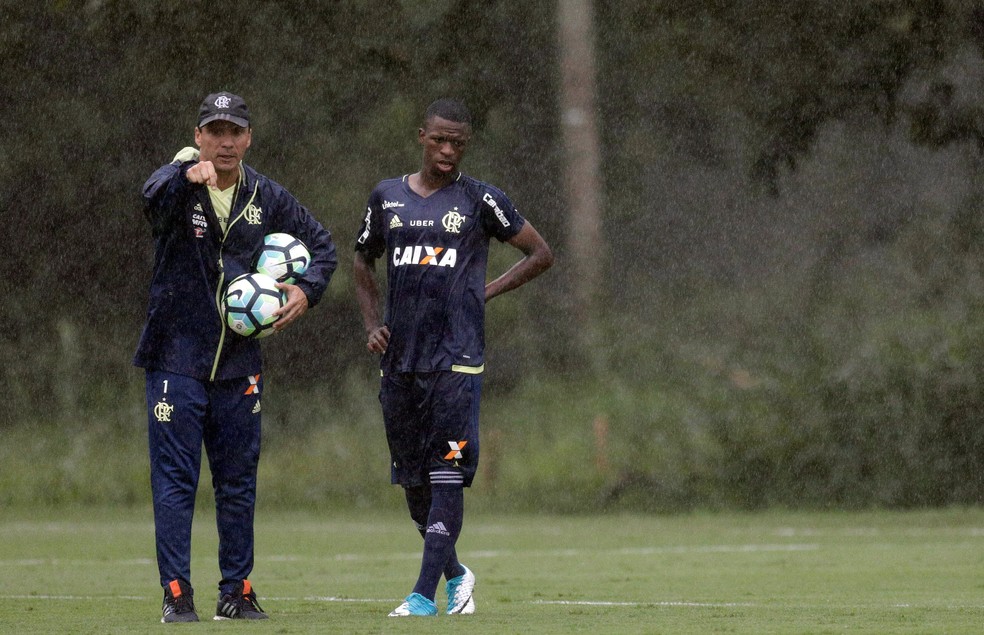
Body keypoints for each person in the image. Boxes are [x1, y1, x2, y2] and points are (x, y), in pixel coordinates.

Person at [134, 91, 337, 623]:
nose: (225, 141)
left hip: (240, 365)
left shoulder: (265, 194)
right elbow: (150, 198)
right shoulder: (177, 180)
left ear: (248, 138)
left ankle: (237, 592)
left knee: (238, 482)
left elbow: (323, 245)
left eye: (235, 131)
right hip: (175, 359)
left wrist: (305, 290)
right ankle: (177, 595)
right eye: (214, 130)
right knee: (177, 481)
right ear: (199, 135)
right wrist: (185, 177)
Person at [353, 98, 554, 616]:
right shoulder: (386, 197)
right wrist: (374, 324)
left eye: (457, 143)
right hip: (400, 362)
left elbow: (540, 253)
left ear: (465, 145)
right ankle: (457, 574)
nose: (447, 150)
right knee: (414, 484)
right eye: (439, 139)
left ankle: (422, 596)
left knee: (446, 473)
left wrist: (486, 290)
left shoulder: (481, 200)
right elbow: (361, 260)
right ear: (422, 135)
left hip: (456, 360)